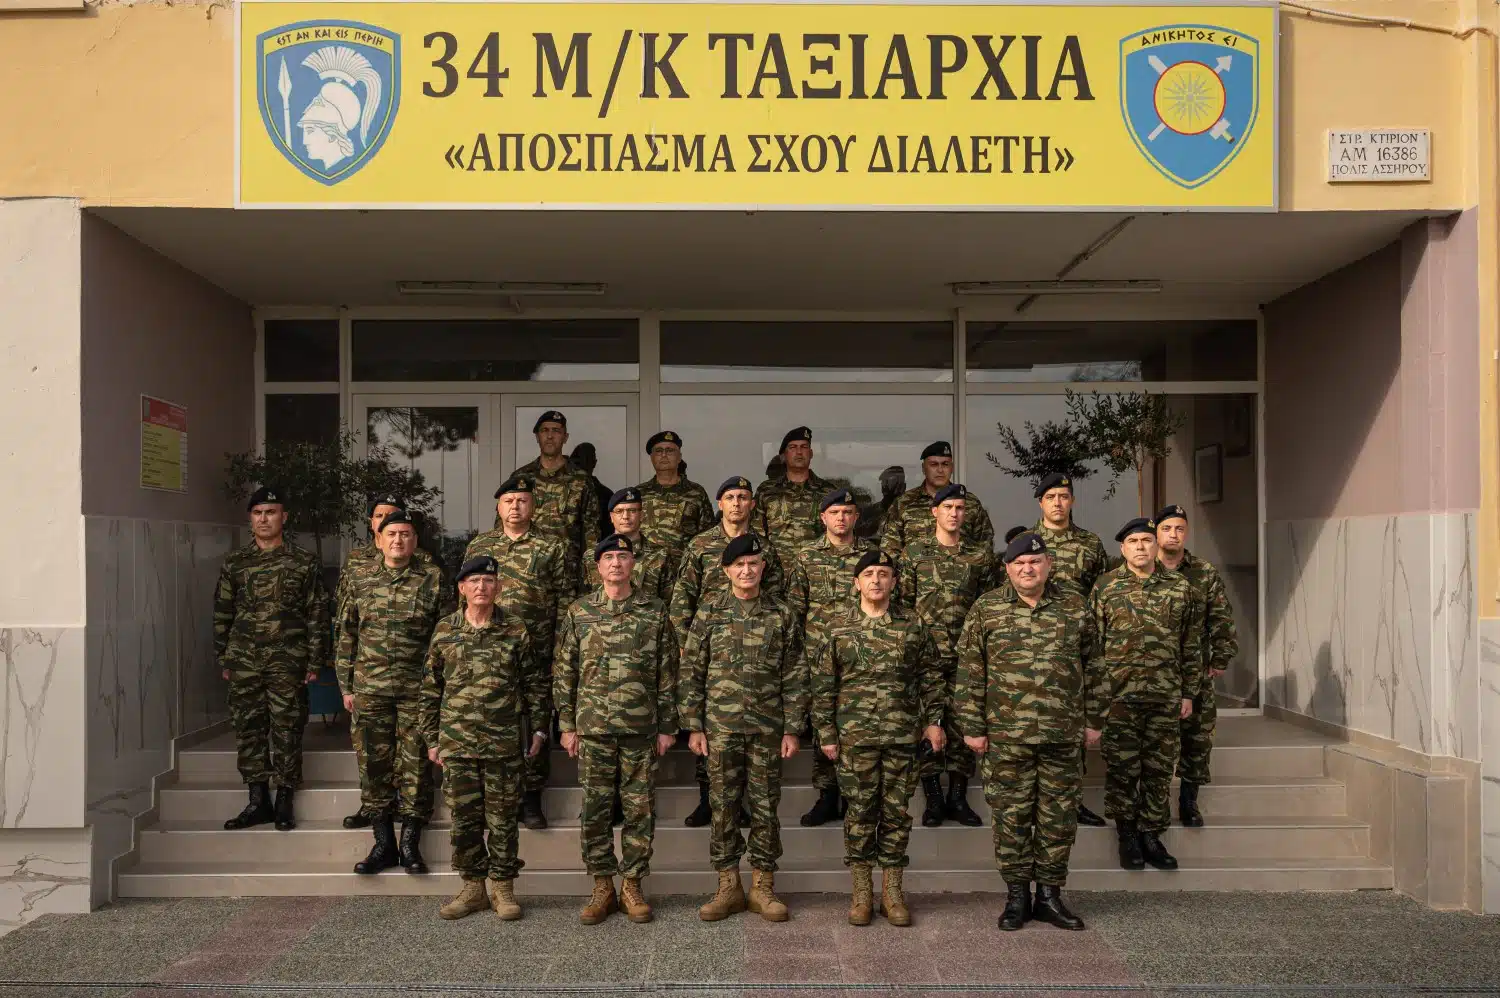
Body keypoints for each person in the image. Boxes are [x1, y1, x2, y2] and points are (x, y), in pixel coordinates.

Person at [955, 531, 1101, 932]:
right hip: (1006, 737)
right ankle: (1017, 897)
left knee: (1058, 818)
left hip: (1061, 733)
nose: (1028, 569)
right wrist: (972, 726)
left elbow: (1095, 666)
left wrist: (1093, 720)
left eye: (1035, 562)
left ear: (1049, 564)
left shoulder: (1074, 606)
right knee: (1011, 818)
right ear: (1007, 569)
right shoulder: (987, 609)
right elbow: (970, 671)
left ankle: (1050, 897)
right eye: (1019, 563)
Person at [680, 533, 804, 923]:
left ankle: (762, 887)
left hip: (768, 728)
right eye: (739, 565)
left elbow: (795, 673)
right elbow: (692, 670)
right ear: (726, 570)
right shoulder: (709, 612)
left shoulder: (781, 614)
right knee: (723, 807)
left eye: (753, 564)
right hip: (721, 728)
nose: (747, 570)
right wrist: (694, 726)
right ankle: (728, 886)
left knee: (765, 807)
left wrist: (792, 728)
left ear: (763, 567)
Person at [815, 551, 943, 928]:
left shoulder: (912, 624)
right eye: (869, 574)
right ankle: (861, 893)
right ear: (856, 583)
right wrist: (826, 733)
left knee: (896, 813)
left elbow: (931, 675)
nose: (876, 580)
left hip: (902, 736)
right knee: (859, 813)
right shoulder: (838, 627)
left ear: (894, 582)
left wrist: (934, 722)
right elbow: (823, 684)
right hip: (855, 738)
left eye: (884, 574)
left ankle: (892, 893)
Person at [555, 534, 678, 925]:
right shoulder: (580, 611)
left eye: (623, 556)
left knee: (640, 810)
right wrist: (567, 724)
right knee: (595, 810)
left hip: (641, 728)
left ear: (633, 563)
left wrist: (667, 725)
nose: (616, 563)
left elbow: (668, 671)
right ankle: (602, 886)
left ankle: (633, 885)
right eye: (608, 557)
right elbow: (565, 670)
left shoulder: (654, 610)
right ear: (598, 566)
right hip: (593, 728)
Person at [421, 556, 549, 921]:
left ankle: (503, 888)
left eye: (489, 581)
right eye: (474, 581)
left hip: (503, 743)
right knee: (464, 819)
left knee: (503, 819)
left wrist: (540, 729)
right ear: (462, 588)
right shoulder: (446, 629)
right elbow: (430, 689)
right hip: (458, 743)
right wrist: (432, 738)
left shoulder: (515, 629)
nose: (482, 587)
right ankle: (473, 888)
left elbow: (535, 684)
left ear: (498, 587)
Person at [336, 509, 446, 876]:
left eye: (405, 534)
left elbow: (445, 636)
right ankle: (382, 844)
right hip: (370, 689)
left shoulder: (432, 579)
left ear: (415, 541)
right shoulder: (361, 579)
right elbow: (346, 634)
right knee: (373, 765)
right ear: (380, 540)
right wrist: (345, 685)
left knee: (416, 767)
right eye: (392, 534)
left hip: (418, 691)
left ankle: (410, 844)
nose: (398, 540)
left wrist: (441, 687)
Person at [1090, 517, 1202, 873]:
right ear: (1123, 549)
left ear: (1156, 546)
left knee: (1158, 770)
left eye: (1146, 540)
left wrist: (1188, 692)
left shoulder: (1180, 587)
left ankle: (1152, 834)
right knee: (1123, 769)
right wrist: (1095, 699)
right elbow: (1092, 647)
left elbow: (1190, 643)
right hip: (1119, 697)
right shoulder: (1106, 587)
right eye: (1133, 542)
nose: (1140, 547)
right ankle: (1127, 835)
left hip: (1165, 695)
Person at [669, 476, 782, 827]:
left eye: (743, 497)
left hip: (755, 645)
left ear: (752, 504)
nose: (737, 503)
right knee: (711, 727)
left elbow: (776, 598)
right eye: (730, 497)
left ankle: (742, 804)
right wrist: (686, 646)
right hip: (711, 645)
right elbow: (682, 599)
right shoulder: (700, 545)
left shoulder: (765, 548)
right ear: (720, 504)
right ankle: (708, 799)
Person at [214, 486, 328, 833]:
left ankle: (284, 800)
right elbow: (222, 611)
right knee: (248, 730)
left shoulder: (303, 562)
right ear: (251, 519)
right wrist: (224, 656)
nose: (264, 519)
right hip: (244, 660)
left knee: (287, 728)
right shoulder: (235, 562)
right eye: (257, 513)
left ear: (284, 517)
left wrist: (315, 660)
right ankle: (257, 799)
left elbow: (317, 613)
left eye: (271, 512)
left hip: (287, 661)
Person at [464, 476, 570, 830]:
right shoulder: (481, 545)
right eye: (509, 501)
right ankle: (492, 798)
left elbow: (565, 598)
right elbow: (465, 596)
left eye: (522, 500)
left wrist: (559, 648)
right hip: (488, 649)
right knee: (491, 718)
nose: (515, 507)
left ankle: (531, 798)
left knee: (536, 720)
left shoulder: (551, 546)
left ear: (533, 506)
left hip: (537, 649)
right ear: (498, 507)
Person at [897, 483, 996, 828]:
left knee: (962, 721)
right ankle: (933, 798)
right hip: (925, 654)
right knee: (926, 721)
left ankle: (957, 795)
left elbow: (988, 605)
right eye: (948, 507)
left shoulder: (980, 556)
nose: (954, 513)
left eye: (960, 508)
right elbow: (903, 604)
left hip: (966, 654)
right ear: (934, 512)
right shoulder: (914, 553)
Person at [784, 488, 878, 827]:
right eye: (835, 512)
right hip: (819, 655)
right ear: (823, 517)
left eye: (847, 512)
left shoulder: (872, 555)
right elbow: (795, 609)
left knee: (857, 721)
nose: (841, 518)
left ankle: (855, 794)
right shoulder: (806, 556)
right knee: (823, 723)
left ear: (857, 517)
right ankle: (827, 794)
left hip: (861, 655)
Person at [1030, 472, 1111, 828]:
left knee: (1072, 720)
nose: (1058, 503)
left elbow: (1101, 594)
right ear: (1041, 503)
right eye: (1051, 497)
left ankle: (1072, 799)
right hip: (1033, 644)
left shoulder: (1090, 544)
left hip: (1076, 643)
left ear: (1072, 501)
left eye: (1064, 496)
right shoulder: (1027, 543)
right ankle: (1033, 800)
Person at [1155, 504, 1239, 827]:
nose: (1173, 534)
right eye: (1166, 528)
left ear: (1186, 533)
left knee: (1197, 737)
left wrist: (1220, 656)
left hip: (1196, 669)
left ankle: (1189, 801)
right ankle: (1156, 804)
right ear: (1156, 533)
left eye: (1179, 528)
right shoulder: (1144, 569)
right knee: (1157, 740)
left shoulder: (1203, 572)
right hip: (1155, 671)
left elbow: (1221, 616)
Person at [510, 410, 602, 597]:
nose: (550, 436)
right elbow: (505, 526)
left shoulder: (581, 480)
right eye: (545, 430)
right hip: (527, 574)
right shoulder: (521, 478)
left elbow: (591, 534)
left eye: (556, 431)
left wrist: (593, 580)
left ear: (565, 437)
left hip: (569, 579)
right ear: (537, 436)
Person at [880, 442, 995, 556]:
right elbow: (890, 548)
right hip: (913, 567)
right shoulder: (904, 503)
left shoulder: (970, 502)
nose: (940, 470)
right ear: (923, 468)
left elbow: (985, 546)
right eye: (934, 464)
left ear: (952, 468)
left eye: (945, 464)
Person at [637, 430, 715, 578]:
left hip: (684, 575)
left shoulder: (696, 492)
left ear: (679, 457)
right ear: (652, 458)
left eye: (670, 451)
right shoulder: (639, 493)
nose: (664, 455)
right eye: (658, 451)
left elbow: (707, 536)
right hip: (646, 575)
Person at [754, 426, 835, 553]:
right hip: (776, 564)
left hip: (817, 564)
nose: (799, 452)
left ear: (811, 453)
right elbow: (757, 534)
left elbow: (837, 534)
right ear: (784, 455)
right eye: (793, 447)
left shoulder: (828, 492)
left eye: (804, 447)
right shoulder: (767, 491)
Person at [587, 488, 672, 599]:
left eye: (632, 511)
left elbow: (668, 601)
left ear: (641, 515)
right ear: (611, 517)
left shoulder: (660, 555)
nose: (626, 516)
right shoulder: (591, 556)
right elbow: (582, 601)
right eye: (619, 511)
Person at [571, 442, 615, 541]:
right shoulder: (562, 490)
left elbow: (609, 531)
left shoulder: (605, 495)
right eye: (580, 461)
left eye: (587, 460)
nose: (583, 465)